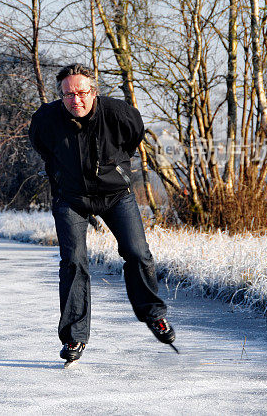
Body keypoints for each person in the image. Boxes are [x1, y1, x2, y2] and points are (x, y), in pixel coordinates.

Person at [29, 63, 175, 364]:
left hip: (115, 195)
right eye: (68, 95)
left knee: (137, 253)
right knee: (74, 262)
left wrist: (114, 169)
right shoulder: (46, 119)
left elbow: (133, 138)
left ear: (93, 92)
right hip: (71, 199)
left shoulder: (119, 114)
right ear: (60, 96)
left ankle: (152, 314)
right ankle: (74, 338)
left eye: (82, 92)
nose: (75, 100)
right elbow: (42, 147)